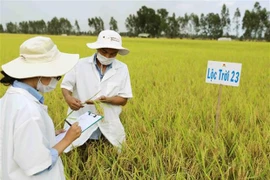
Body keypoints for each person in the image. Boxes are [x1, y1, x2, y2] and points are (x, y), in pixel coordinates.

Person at [0, 36, 82, 180]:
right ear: (41, 74)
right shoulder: (28, 110)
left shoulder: (9, 98)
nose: (56, 81)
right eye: (57, 76)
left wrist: (48, 134)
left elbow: (17, 138)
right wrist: (67, 139)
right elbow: (38, 165)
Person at [61, 30, 132, 151]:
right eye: (104, 52)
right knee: (76, 154)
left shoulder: (122, 69)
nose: (107, 56)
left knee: (109, 156)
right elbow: (66, 86)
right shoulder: (80, 64)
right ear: (98, 48)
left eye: (113, 54)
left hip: (108, 124)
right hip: (81, 120)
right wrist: (68, 98)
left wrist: (107, 100)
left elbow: (123, 99)